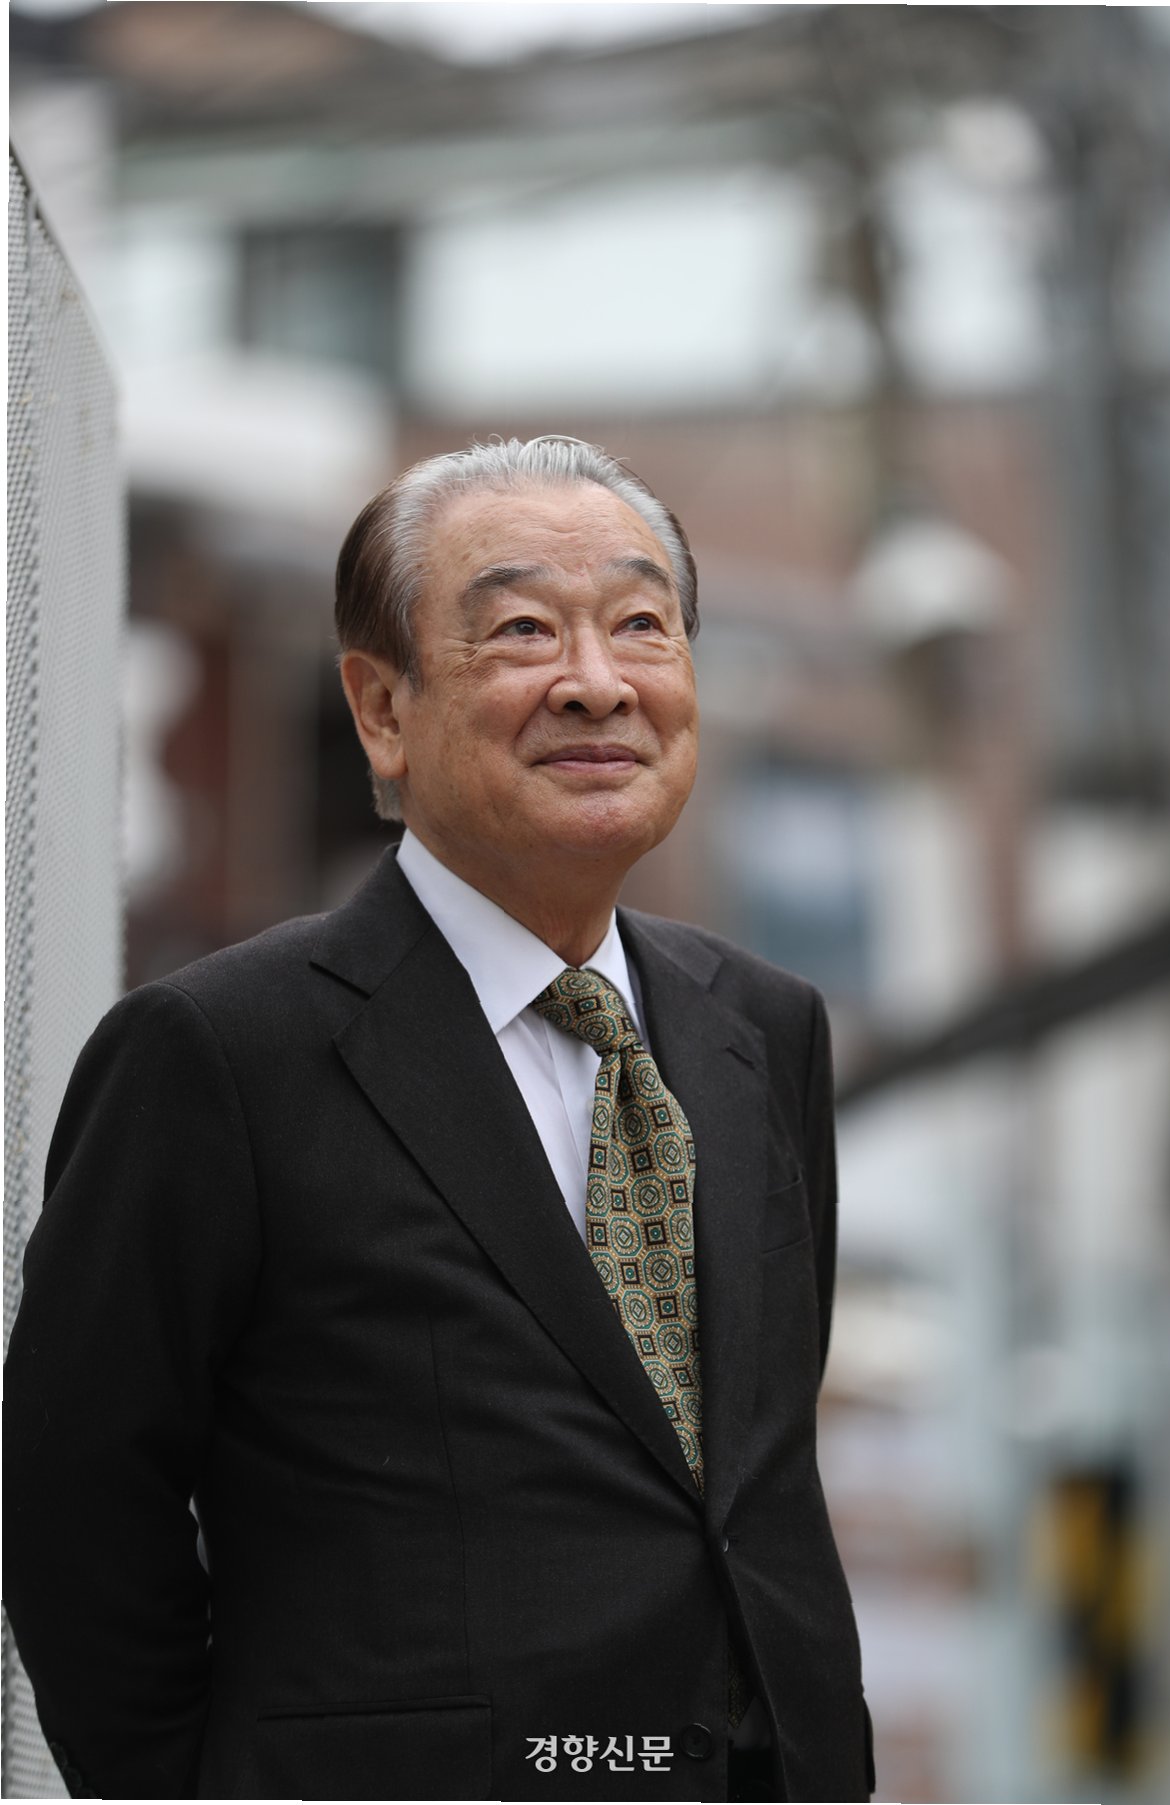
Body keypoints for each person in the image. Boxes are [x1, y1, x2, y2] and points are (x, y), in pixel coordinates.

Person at [4, 437, 874, 1803]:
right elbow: (74, 1501)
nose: (597, 681)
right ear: (380, 708)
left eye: (641, 625)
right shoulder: (220, 1052)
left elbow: (746, 1471)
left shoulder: (762, 1028)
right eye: (522, 631)